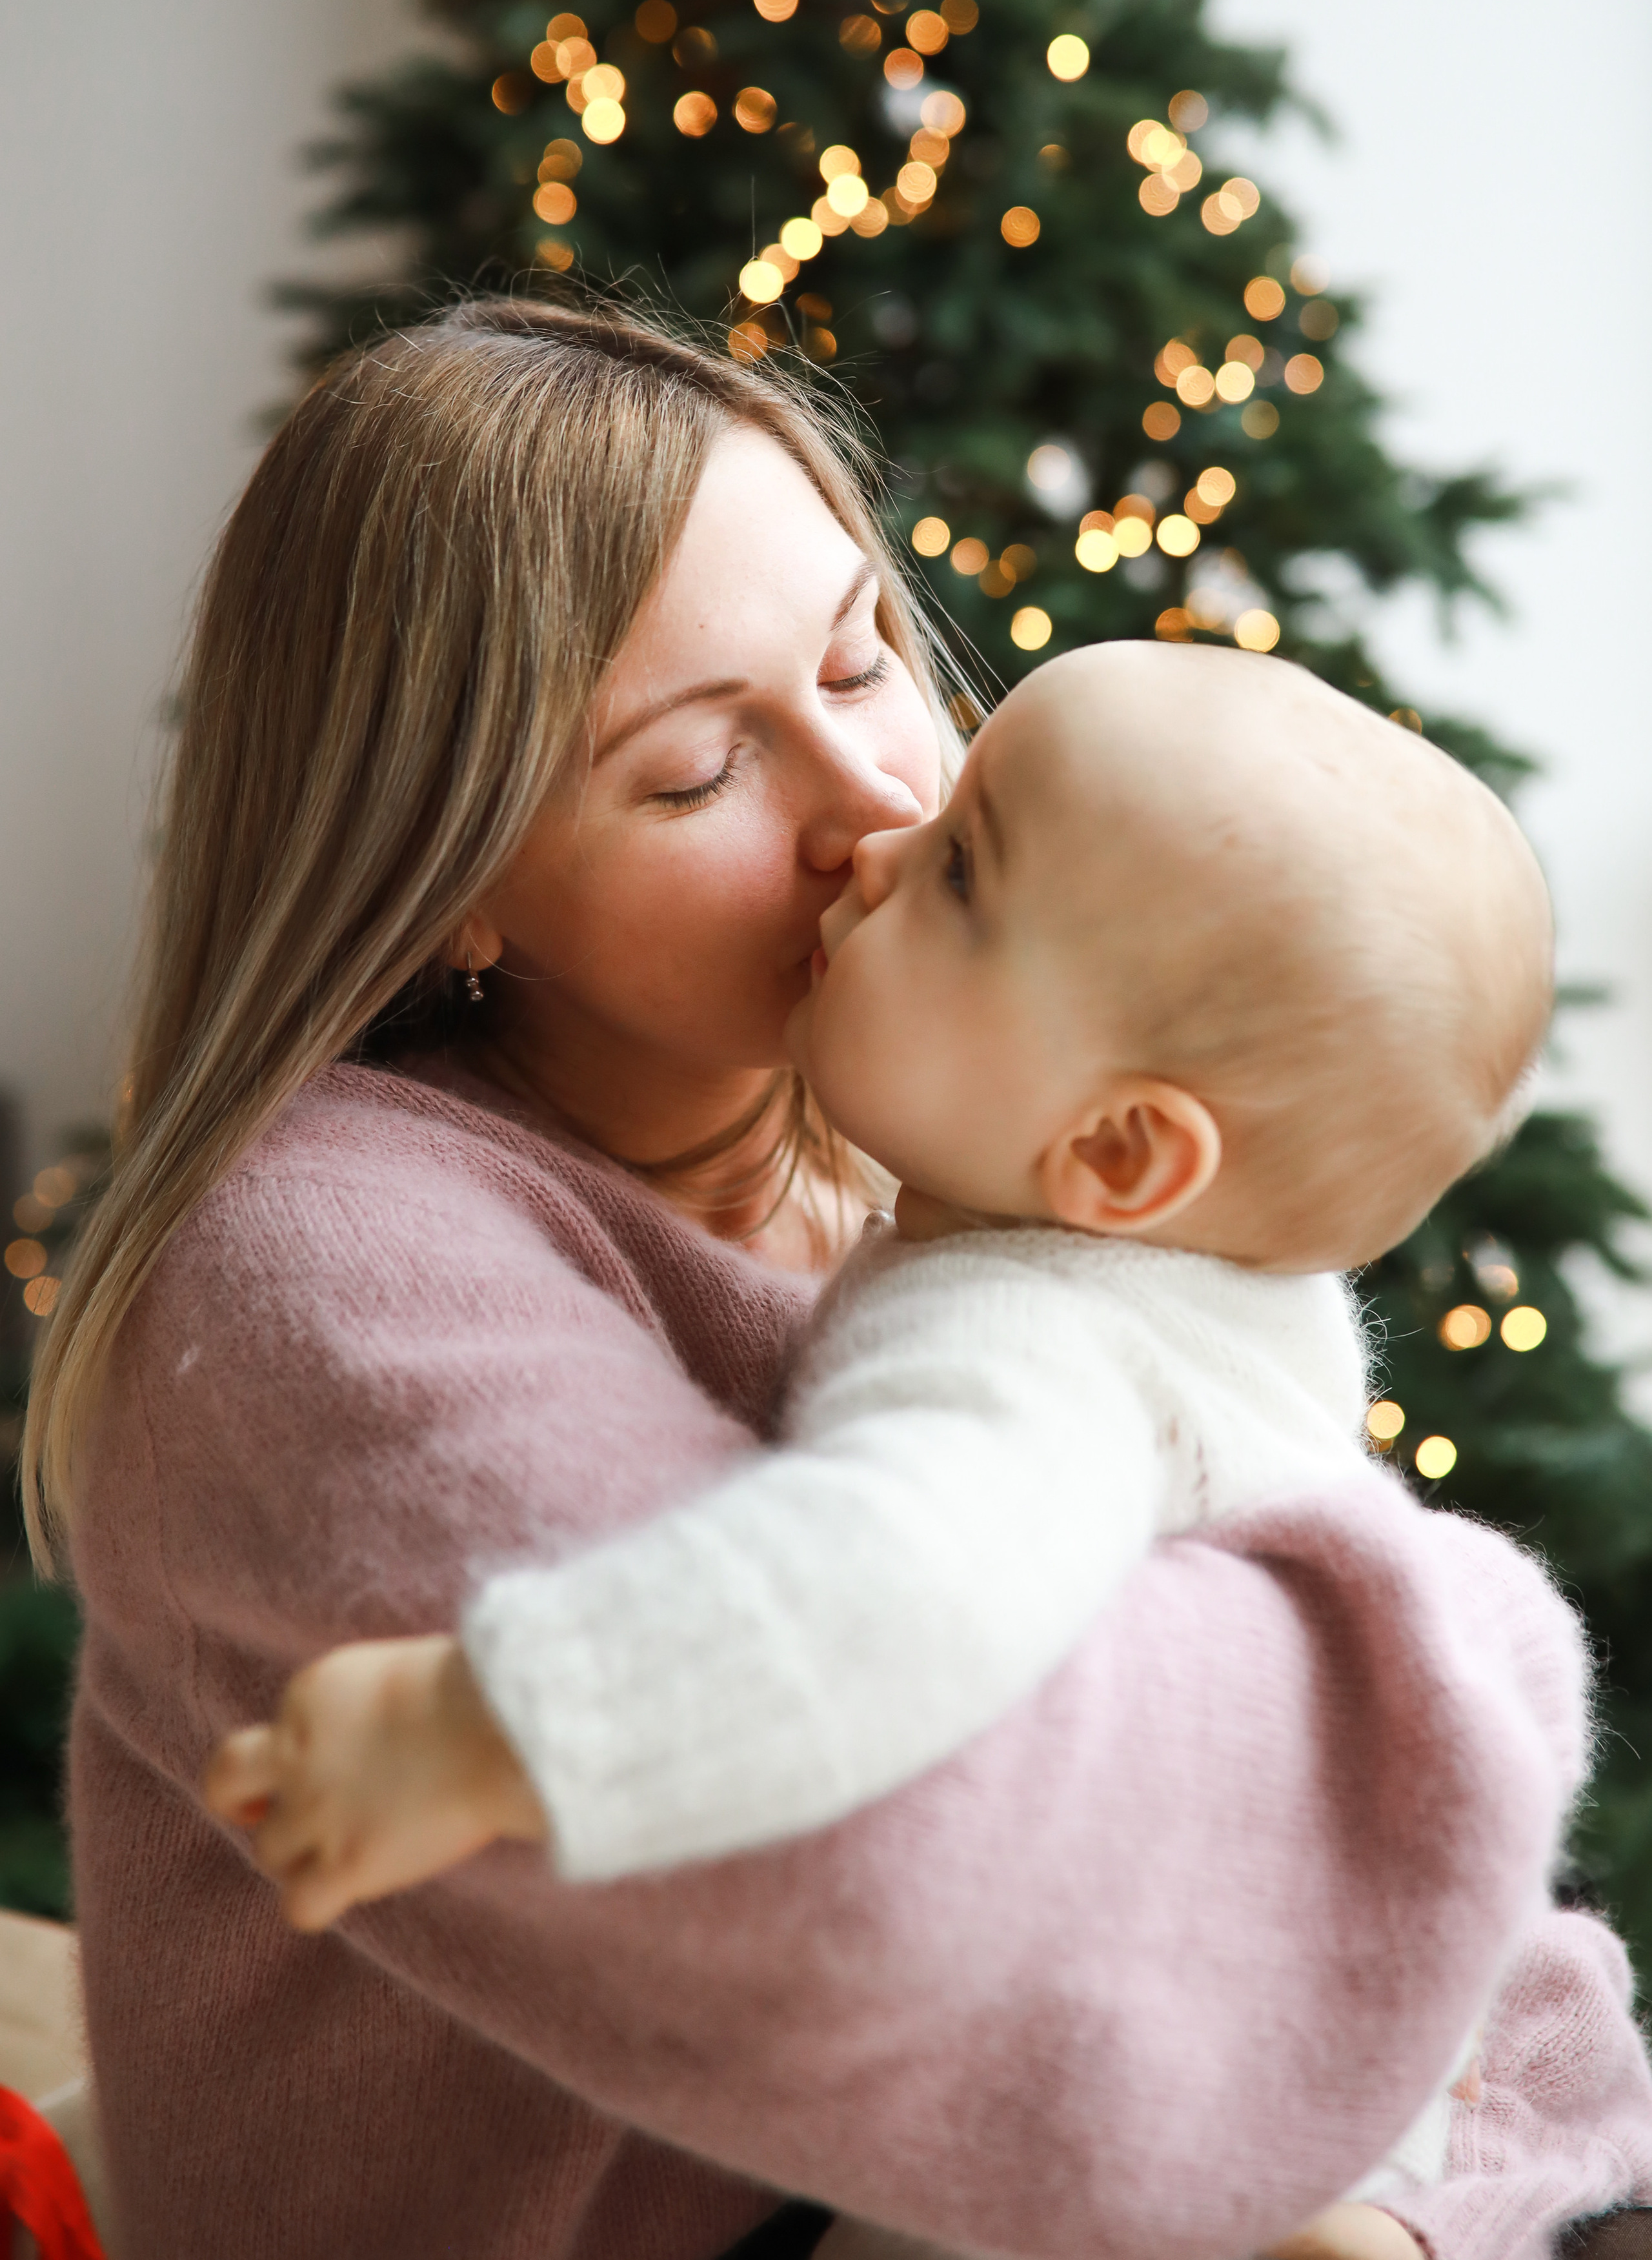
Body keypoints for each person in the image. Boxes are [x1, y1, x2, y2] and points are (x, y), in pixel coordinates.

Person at [25, 300, 1652, 2260]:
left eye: (864, 653)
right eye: (702, 769)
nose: (878, 808)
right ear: (449, 880)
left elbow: (1483, 1948)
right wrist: (1458, 1654)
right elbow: (865, 1846)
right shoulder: (323, 1267)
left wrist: (1422, 2182)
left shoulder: (968, 1165)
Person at [205, 641, 1572, 2251]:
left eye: (964, 870)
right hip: (1324, 2069)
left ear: (1117, 1152)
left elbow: (895, 1595)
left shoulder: (1027, 1340)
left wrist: (486, 1725)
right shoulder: (1217, 1284)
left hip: (1166, 2131)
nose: (878, 840)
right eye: (695, 769)